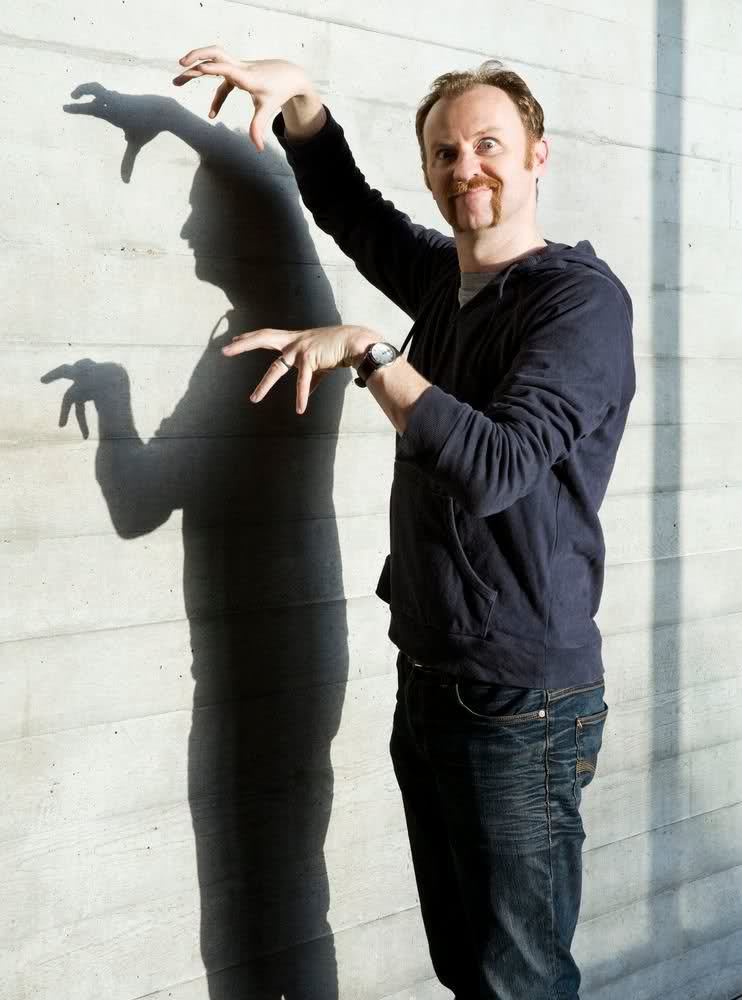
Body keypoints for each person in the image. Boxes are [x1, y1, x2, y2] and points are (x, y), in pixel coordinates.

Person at [173, 46, 636, 1000]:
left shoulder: (578, 303)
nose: (467, 168)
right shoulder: (443, 280)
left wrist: (372, 353)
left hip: (520, 702)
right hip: (430, 675)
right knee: (467, 969)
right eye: (445, 153)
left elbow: (498, 467)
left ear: (538, 154)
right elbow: (353, 212)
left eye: (488, 145)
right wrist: (303, 103)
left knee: (520, 983)